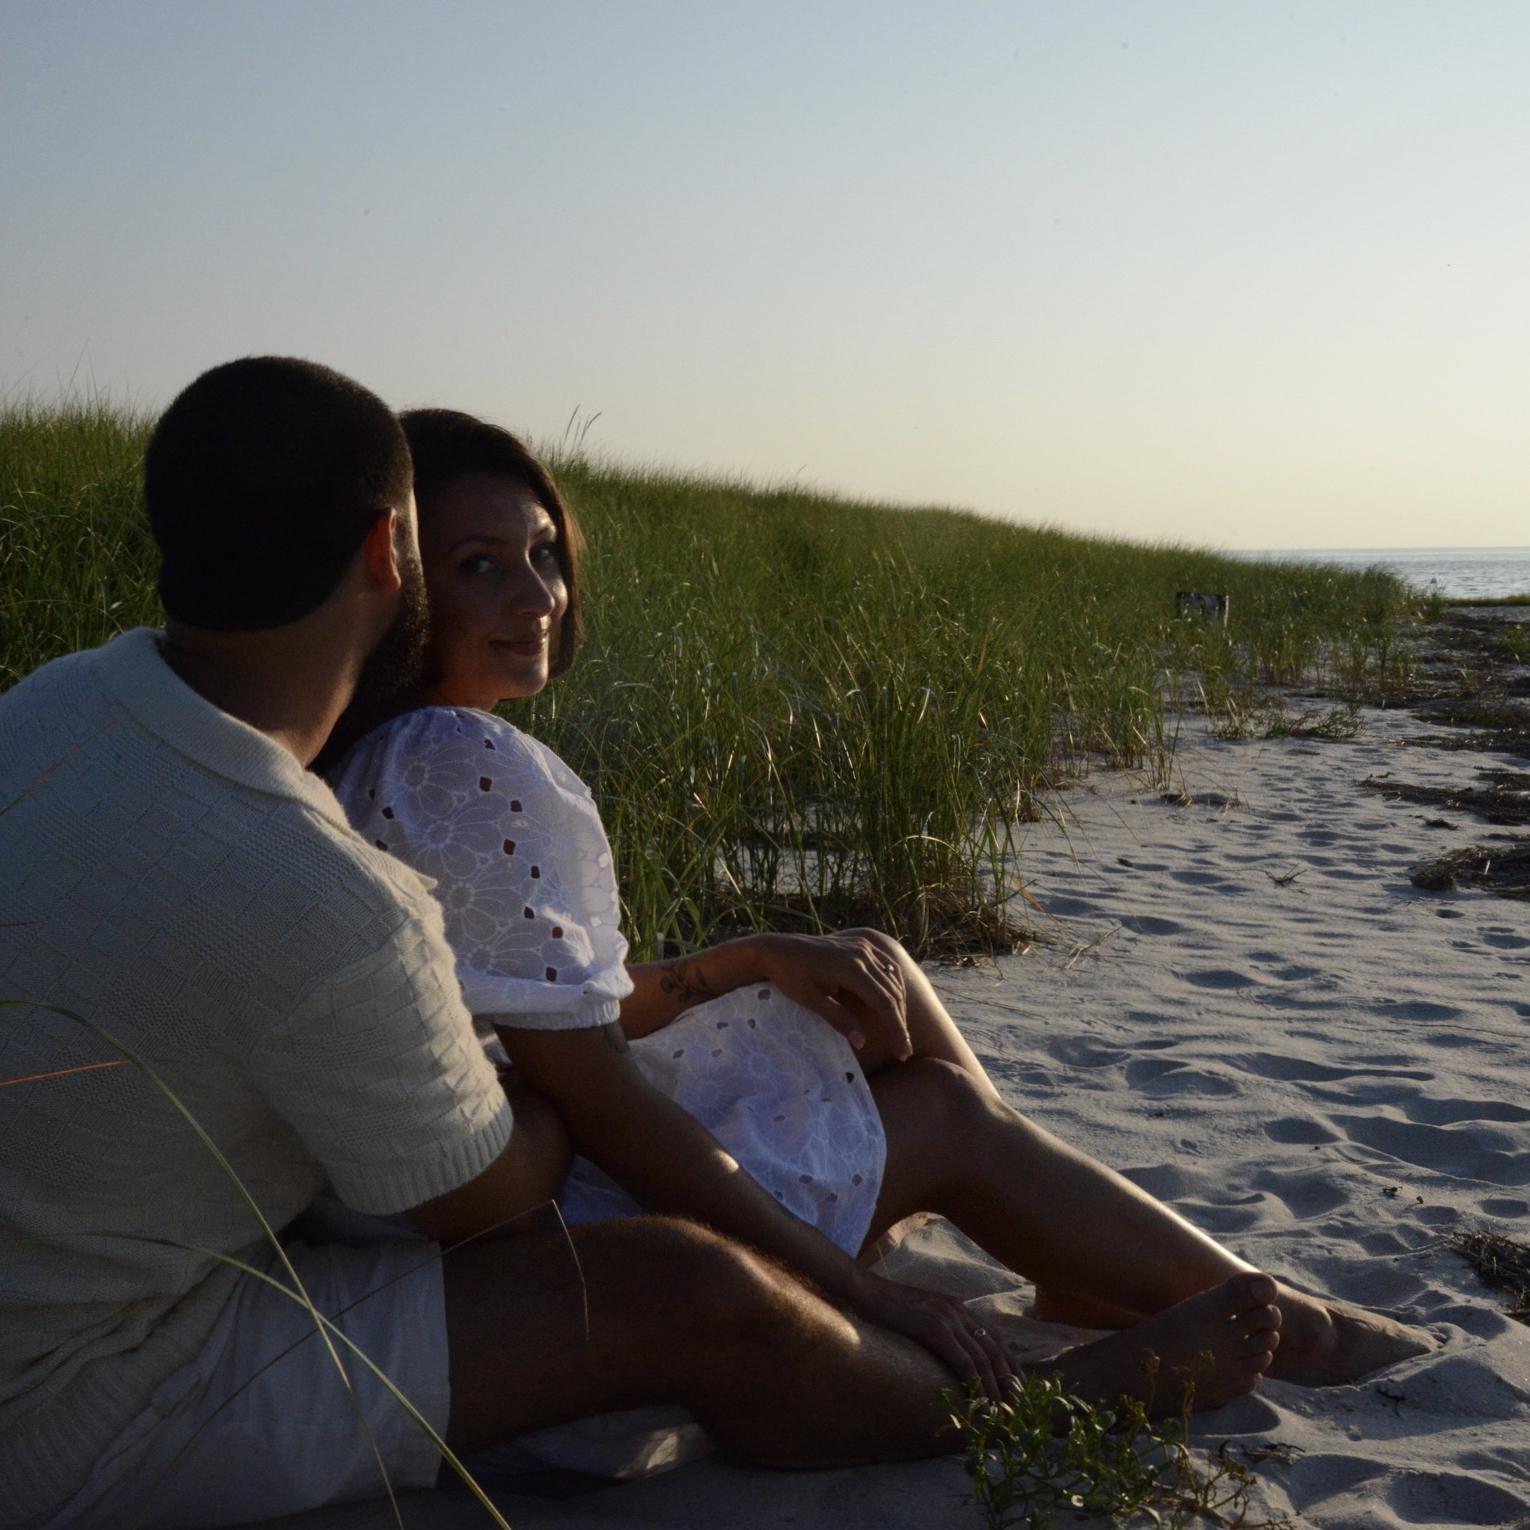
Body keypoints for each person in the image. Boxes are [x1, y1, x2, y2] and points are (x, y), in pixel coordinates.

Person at [0, 357, 1079, 1530]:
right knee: (679, 1282)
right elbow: (499, 1202)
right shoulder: (318, 889)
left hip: (96, 1283)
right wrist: (553, 1069)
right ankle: (1046, 1404)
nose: (529, 589)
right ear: (388, 555)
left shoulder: (56, 705)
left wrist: (576, 1024)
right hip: (85, 1392)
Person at [326, 407, 1430, 1438]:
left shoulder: (387, 753)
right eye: (480, 568)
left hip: (509, 1171)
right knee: (944, 1116)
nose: (538, 596)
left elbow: (539, 1009)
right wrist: (854, 1288)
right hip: (568, 1219)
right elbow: (604, 1101)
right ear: (400, 589)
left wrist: (750, 957)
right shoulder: (456, 764)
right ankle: (1282, 1323)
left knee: (875, 965)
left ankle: (1074, 1253)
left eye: (544, 553)